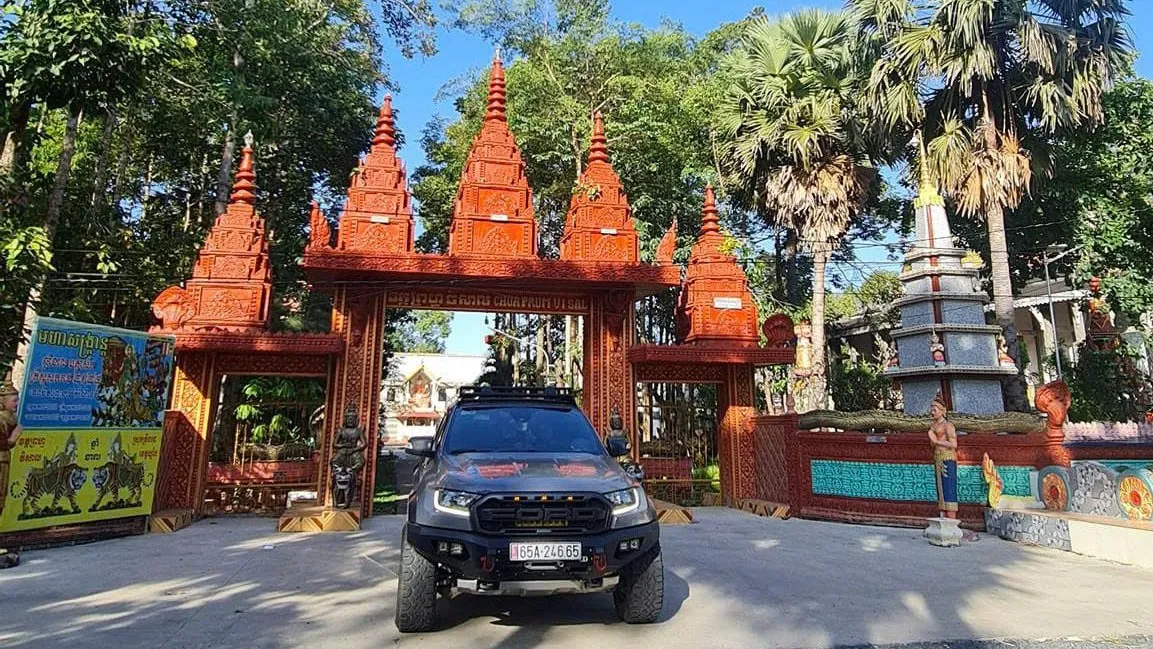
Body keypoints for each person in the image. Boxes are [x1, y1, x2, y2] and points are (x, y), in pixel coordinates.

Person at [1, 381, 23, 568]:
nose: (16, 404)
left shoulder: (10, 418)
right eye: (14, 400)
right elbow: (4, 442)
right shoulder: (1, 419)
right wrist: (15, 436)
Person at [928, 394, 958, 518]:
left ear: (942, 411)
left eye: (935, 410)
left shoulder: (948, 426)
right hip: (937, 457)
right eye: (931, 409)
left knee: (948, 487)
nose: (932, 412)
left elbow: (954, 444)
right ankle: (942, 515)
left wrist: (937, 442)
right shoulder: (933, 426)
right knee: (940, 488)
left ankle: (951, 518)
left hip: (948, 458)